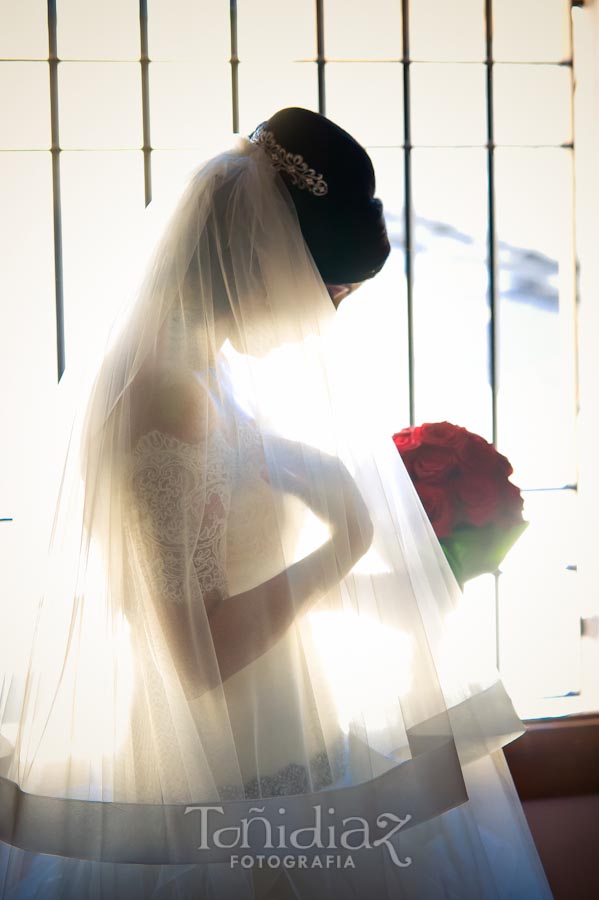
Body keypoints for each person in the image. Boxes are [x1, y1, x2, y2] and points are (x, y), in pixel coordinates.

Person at [0, 108, 552, 899]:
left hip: (288, 738)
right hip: (229, 772)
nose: (323, 316)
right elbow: (198, 654)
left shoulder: (203, 375)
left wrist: (367, 555)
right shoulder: (167, 396)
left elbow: (226, 564)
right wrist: (345, 544)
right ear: (266, 263)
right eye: (328, 289)